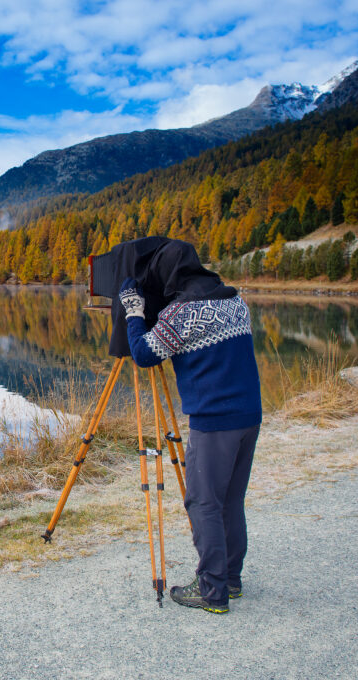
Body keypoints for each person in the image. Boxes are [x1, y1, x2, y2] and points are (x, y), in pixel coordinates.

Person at [117, 238, 262, 614]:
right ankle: (230, 578)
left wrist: (134, 311)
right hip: (249, 416)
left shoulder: (182, 314)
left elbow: (145, 354)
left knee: (203, 502)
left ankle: (212, 591)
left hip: (214, 422)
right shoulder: (234, 301)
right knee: (230, 500)